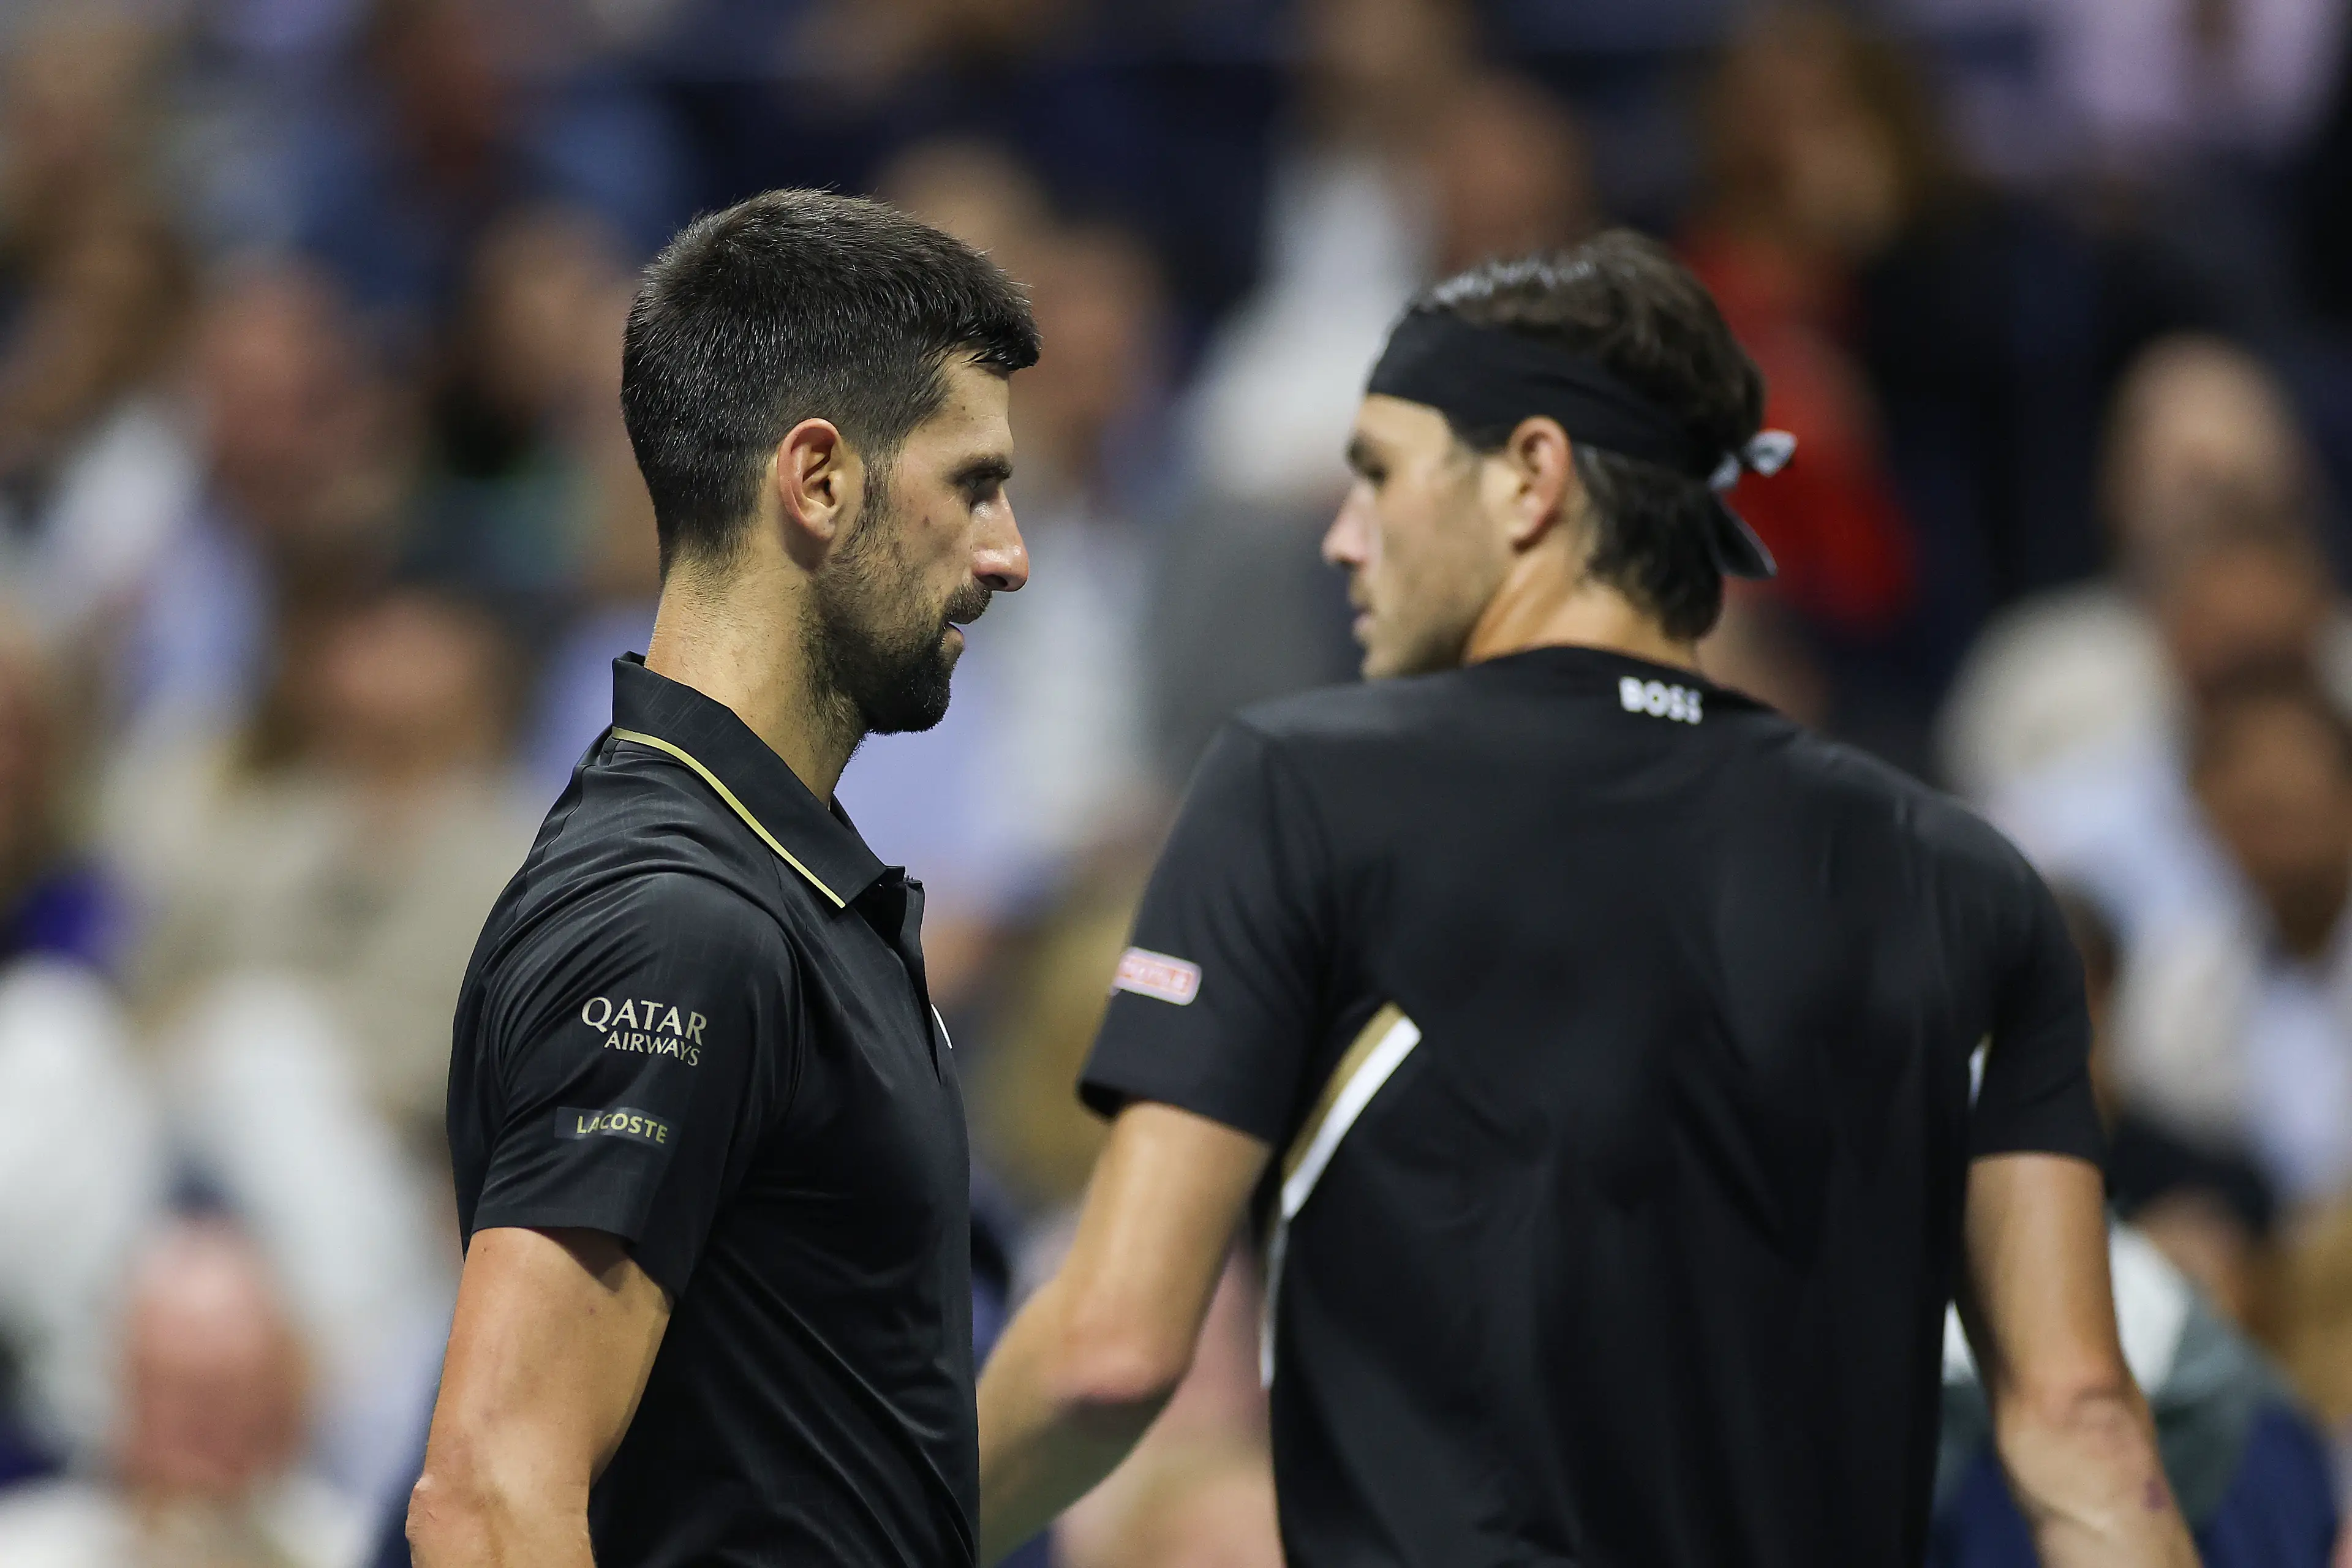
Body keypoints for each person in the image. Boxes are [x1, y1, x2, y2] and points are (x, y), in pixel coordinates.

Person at [975, 232, 2197, 1568]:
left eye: (1379, 474)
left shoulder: (1295, 789)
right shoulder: (1968, 878)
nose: (1341, 537)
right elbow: (2082, 1423)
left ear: (1532, 479)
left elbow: (1108, 1350)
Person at [407, 190, 1038, 1567]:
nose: (1009, 553)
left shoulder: (761, 889)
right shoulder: (675, 920)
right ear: (818, 481)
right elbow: (489, 1497)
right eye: (974, 483)